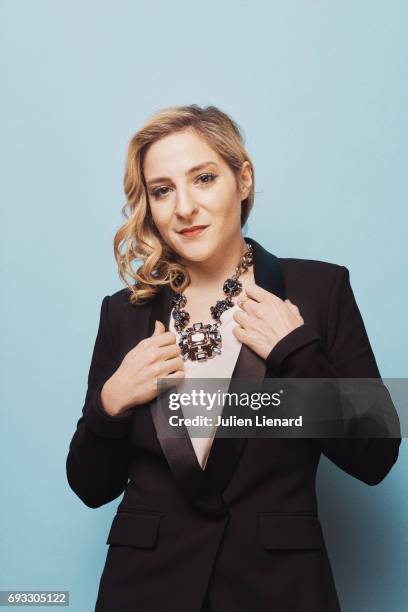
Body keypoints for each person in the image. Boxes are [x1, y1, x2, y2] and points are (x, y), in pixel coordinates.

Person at [66, 104, 401, 612]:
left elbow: (376, 458)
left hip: (279, 590)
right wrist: (109, 404)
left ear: (243, 180)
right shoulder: (124, 313)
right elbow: (91, 486)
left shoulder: (318, 290)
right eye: (162, 190)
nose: (184, 207)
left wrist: (298, 354)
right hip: (144, 589)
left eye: (203, 179)